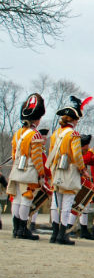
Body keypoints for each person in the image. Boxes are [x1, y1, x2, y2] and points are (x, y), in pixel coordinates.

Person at [47, 95, 92, 245]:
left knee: (56, 202)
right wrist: (83, 169)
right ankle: (62, 235)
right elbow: (77, 155)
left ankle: (54, 234)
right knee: (67, 203)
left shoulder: (56, 134)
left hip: (56, 169)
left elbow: (51, 152)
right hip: (69, 170)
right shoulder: (73, 134)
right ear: (73, 120)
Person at [6, 93, 47, 241]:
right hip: (28, 171)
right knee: (26, 200)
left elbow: (13, 153)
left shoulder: (18, 133)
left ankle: (16, 229)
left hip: (16, 169)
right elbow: (37, 157)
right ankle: (23, 229)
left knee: (16, 199)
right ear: (37, 118)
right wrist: (41, 173)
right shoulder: (35, 135)